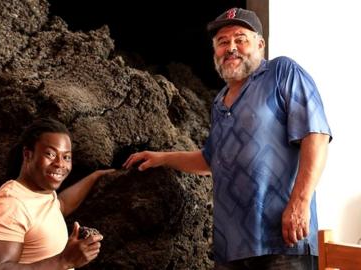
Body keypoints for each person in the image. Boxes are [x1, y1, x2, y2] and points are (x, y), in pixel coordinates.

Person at [123, 7, 331, 270]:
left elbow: (316, 135)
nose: (231, 47)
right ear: (215, 52)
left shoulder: (282, 73)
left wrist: (300, 203)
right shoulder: (220, 101)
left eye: (240, 39)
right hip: (231, 248)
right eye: (223, 42)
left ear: (260, 44)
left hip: (282, 242)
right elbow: (210, 160)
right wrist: (162, 158)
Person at [0, 118, 114, 270]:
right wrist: (64, 261)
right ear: (28, 154)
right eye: (50, 154)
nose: (60, 164)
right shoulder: (10, 205)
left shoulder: (42, 195)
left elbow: (60, 205)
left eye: (66, 157)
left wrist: (96, 176)